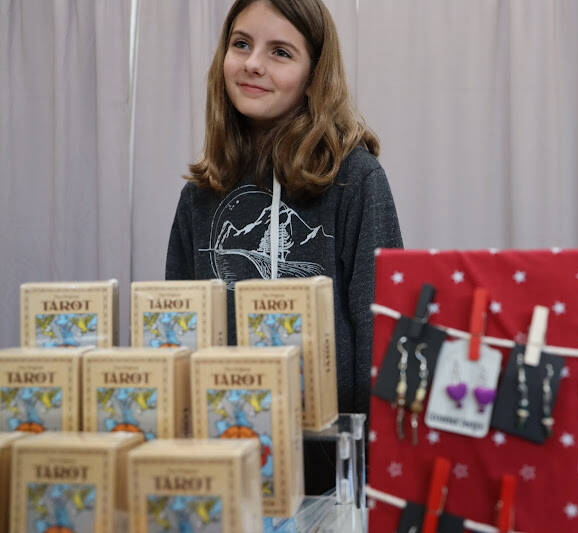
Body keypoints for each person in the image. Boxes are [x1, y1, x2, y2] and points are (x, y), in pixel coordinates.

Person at [165, 0, 403, 489]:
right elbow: (175, 338)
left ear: (314, 75)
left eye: (280, 52)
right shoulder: (199, 195)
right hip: (224, 468)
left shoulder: (355, 179)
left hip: (332, 477)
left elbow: (380, 335)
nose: (253, 64)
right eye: (241, 44)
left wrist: (368, 479)